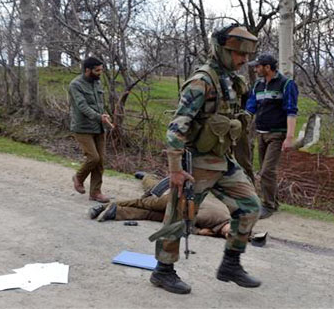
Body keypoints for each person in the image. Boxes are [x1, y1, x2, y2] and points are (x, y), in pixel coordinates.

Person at [149, 24, 262, 294]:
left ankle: (231, 264)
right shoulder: (202, 81)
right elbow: (176, 128)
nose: (243, 60)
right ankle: (163, 271)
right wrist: (175, 170)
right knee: (179, 217)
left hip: (222, 160)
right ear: (221, 50)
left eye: (246, 55)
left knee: (250, 206)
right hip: (196, 163)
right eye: (237, 54)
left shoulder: (234, 81)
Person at [88, 173, 232, 238]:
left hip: (182, 206)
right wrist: (198, 231)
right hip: (175, 198)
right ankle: (107, 205)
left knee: (151, 215)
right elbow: (185, 223)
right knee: (145, 202)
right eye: (230, 233)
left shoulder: (221, 227)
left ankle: (116, 212)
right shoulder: (212, 218)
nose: (228, 235)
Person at [246, 53, 299, 219]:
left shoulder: (286, 84)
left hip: (277, 134)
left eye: (258, 66)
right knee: (267, 170)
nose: (255, 69)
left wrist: (289, 137)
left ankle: (267, 205)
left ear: (267, 68)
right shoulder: (258, 85)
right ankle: (273, 202)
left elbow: (291, 111)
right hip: (261, 133)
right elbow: (251, 106)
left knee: (267, 171)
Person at [69, 57, 114, 203]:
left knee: (100, 161)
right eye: (97, 70)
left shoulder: (97, 83)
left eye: (101, 69)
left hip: (99, 127)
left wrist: (104, 115)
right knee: (93, 157)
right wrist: (98, 117)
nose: (100, 73)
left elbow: (99, 104)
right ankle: (79, 177)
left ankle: (95, 192)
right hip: (82, 128)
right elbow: (82, 106)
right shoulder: (75, 85)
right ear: (87, 70)